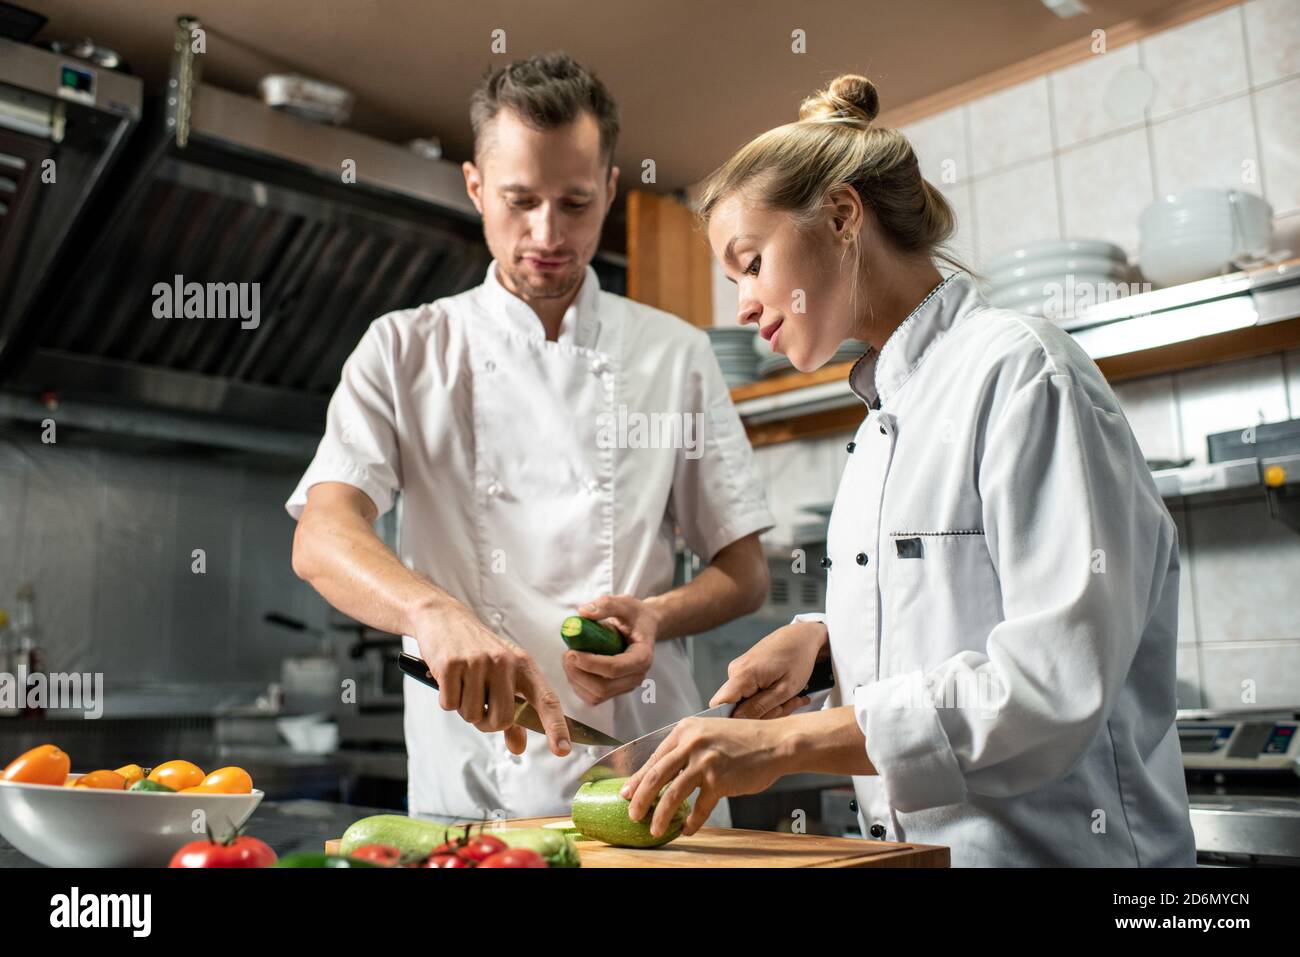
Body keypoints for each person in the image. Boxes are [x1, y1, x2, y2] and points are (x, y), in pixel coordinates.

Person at [620, 74, 1197, 867]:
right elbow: (964, 609)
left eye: (750, 263)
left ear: (843, 215)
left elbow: (1051, 681)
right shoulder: (883, 421)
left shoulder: (1022, 370)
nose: (745, 305)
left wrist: (788, 741)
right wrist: (826, 648)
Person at [287, 53, 774, 822]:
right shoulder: (404, 348)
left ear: (610, 190)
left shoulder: (675, 351)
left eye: (575, 202)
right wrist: (430, 612)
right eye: (519, 200)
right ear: (476, 188)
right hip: (474, 781)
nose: (547, 233)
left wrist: (657, 616)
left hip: (647, 766)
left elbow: (745, 571)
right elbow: (321, 533)